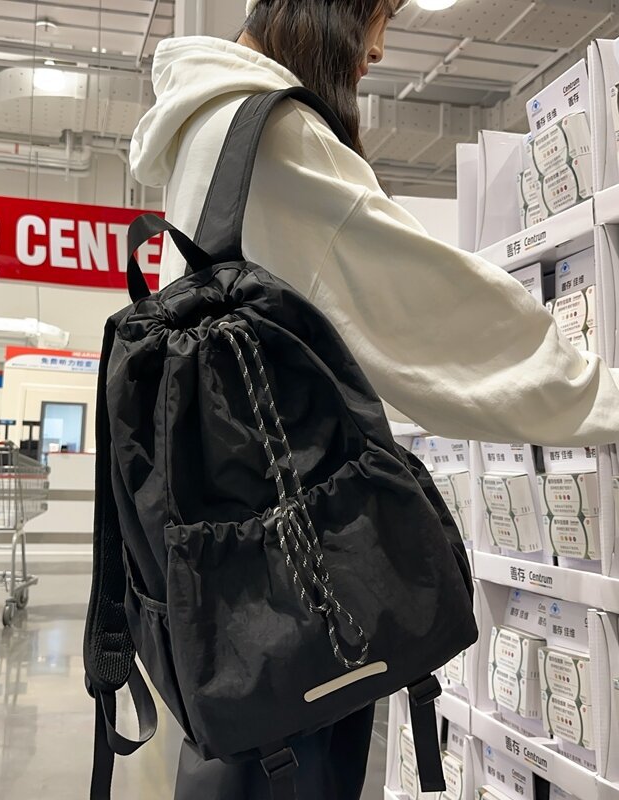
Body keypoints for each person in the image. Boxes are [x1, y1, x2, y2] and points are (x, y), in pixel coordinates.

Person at [128, 1, 619, 797]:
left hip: (228, 581)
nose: (379, 49)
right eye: (377, 14)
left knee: (242, 761)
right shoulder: (278, 137)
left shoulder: (201, 131)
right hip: (299, 588)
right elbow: (435, 316)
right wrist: (602, 394)